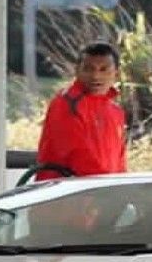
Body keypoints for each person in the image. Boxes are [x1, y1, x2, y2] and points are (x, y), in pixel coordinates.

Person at [35, 42, 126, 180]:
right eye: (88, 69)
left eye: (103, 69)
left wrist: (119, 187)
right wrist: (106, 186)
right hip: (66, 189)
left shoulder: (116, 111)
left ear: (116, 73)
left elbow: (120, 162)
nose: (95, 76)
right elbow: (76, 154)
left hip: (101, 188)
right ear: (77, 70)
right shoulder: (66, 103)